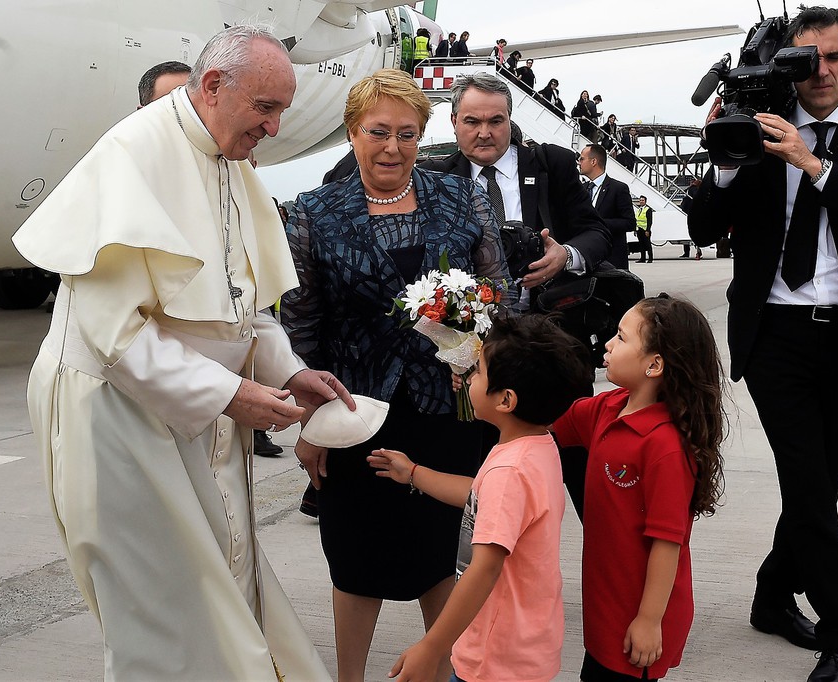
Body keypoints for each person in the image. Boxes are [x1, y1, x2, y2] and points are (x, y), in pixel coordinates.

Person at [12, 24, 354, 680]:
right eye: (266, 108)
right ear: (215, 86)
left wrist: (290, 371)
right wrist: (231, 394)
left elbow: (242, 304)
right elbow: (114, 337)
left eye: (282, 109)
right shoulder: (133, 155)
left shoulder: (226, 159)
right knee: (162, 612)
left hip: (194, 420)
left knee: (223, 588)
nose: (275, 129)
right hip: (115, 420)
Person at [688, 8, 838, 682]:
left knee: (819, 486)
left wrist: (811, 164)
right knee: (809, 487)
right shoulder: (753, 129)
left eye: (834, 56)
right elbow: (702, 226)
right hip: (776, 332)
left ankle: (769, 595)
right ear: (785, 62)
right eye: (805, 58)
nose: (821, 70)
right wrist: (727, 156)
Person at [279, 68, 509, 682]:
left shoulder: (461, 198)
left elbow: (499, 295)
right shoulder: (312, 215)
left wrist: (475, 344)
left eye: (408, 134)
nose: (393, 147)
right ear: (353, 132)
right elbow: (299, 327)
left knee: (437, 554)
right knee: (355, 557)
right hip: (354, 413)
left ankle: (443, 670)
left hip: (448, 411)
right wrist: (310, 423)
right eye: (377, 132)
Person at [367, 314, 594, 682]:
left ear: (505, 399)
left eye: (480, 372)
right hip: (525, 644)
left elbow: (484, 568)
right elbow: (479, 496)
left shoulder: (510, 470)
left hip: (496, 657)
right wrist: (413, 473)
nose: (469, 378)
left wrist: (432, 647)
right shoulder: (537, 446)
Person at [552, 294, 727, 681]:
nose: (609, 344)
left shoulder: (663, 446)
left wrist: (649, 620)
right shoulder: (608, 408)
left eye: (621, 337)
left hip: (641, 614)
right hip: (605, 604)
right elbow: (547, 421)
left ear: (654, 364)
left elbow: (667, 542)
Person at [420, 72, 610, 311]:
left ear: (510, 119)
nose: (484, 133)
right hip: (465, 327)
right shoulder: (435, 179)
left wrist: (566, 256)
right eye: (472, 122)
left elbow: (597, 233)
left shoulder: (551, 165)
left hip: (545, 322)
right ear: (453, 121)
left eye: (496, 121)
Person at [579, 144, 635, 269]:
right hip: (586, 259)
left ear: (594, 161)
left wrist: (598, 223)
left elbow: (629, 223)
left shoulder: (618, 189)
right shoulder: (582, 190)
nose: (579, 162)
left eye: (582, 159)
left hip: (611, 260)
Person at [678, 179, 703, 260]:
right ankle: (697, 251)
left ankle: (687, 252)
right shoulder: (699, 189)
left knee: (687, 233)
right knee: (692, 234)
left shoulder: (692, 189)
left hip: (689, 212)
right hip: (694, 212)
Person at [635, 194, 654, 263]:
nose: (641, 201)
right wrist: (635, 229)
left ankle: (650, 258)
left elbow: (649, 221)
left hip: (645, 229)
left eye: (642, 200)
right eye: (640, 200)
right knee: (641, 245)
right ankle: (642, 258)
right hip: (639, 229)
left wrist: (647, 230)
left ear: (645, 201)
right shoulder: (639, 209)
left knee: (647, 244)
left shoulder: (648, 209)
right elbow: (637, 220)